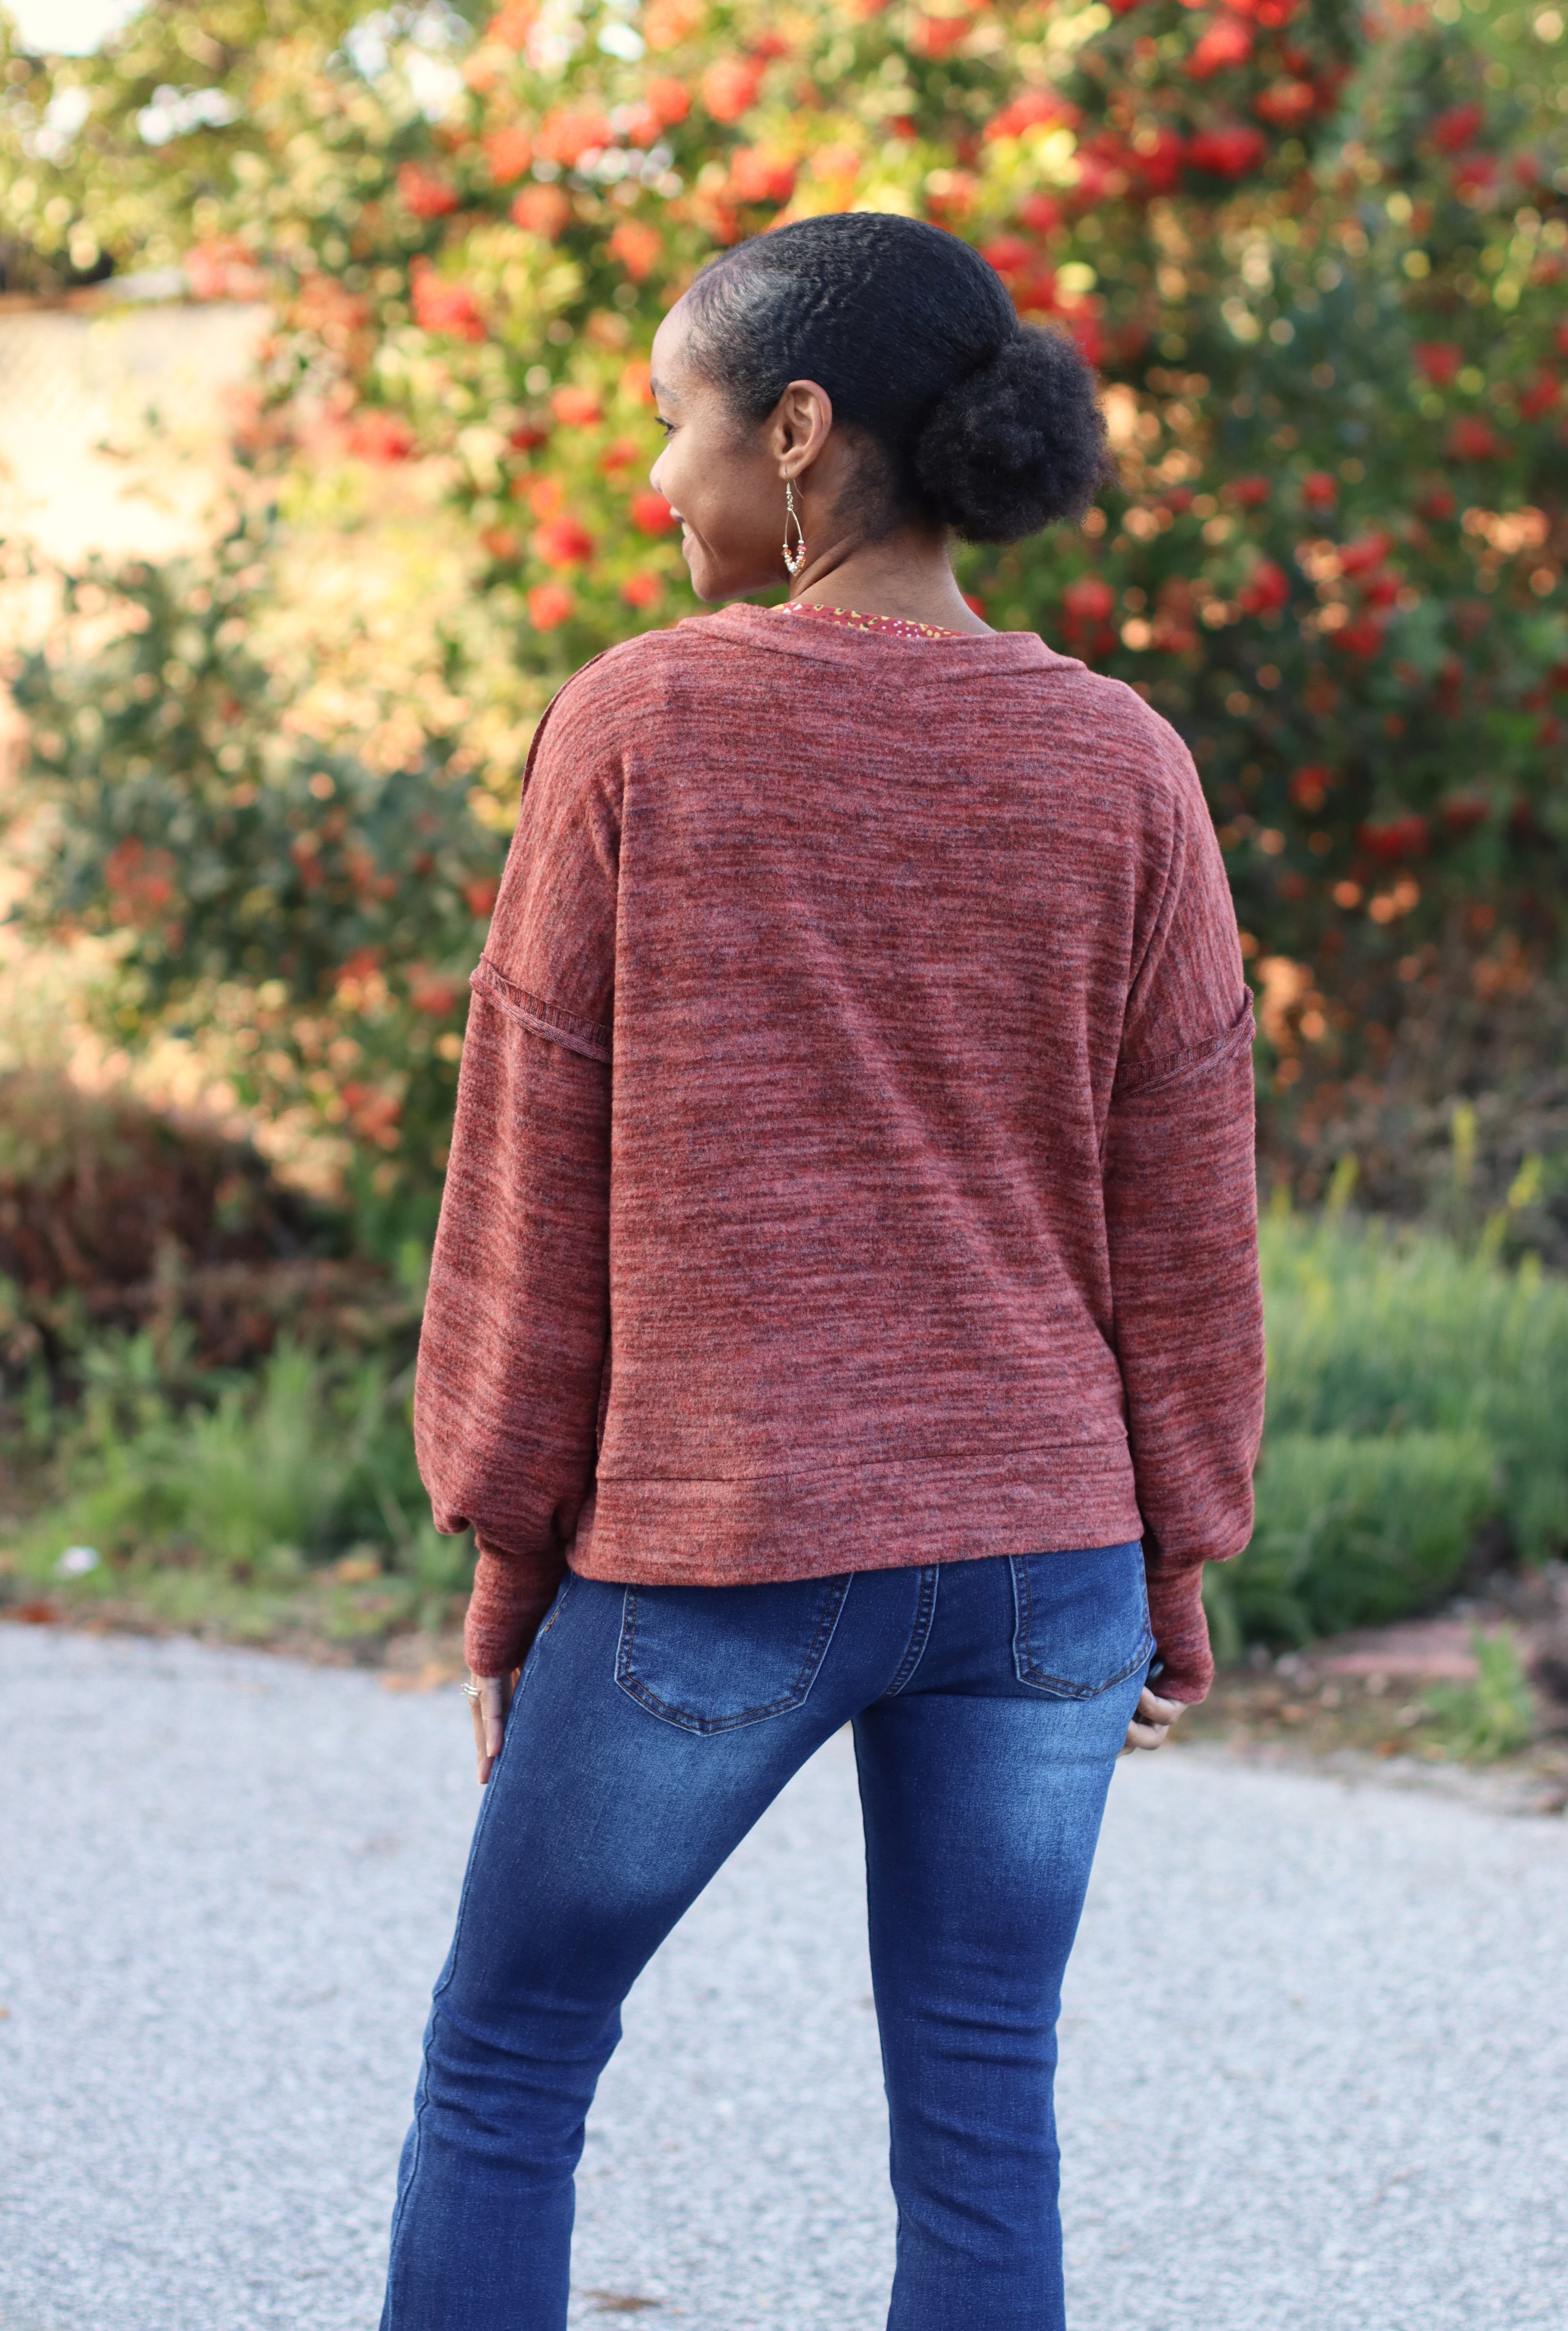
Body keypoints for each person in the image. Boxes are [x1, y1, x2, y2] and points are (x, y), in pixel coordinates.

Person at [380, 211, 1264, 2331]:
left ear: (797, 432)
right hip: (1044, 1552)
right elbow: (1191, 1206)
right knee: (984, 2101)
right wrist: (1180, 1551)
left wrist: (510, 1550)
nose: (653, 477)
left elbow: (534, 1171)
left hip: (728, 1543)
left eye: (674, 424)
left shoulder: (644, 725)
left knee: (510, 2059)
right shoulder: (1125, 764)